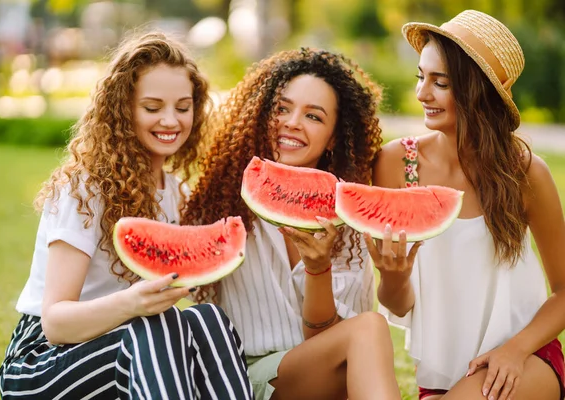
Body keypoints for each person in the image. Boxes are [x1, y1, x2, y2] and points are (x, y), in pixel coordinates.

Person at [0, 31, 253, 400]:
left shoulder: (177, 193)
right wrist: (132, 303)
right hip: (42, 362)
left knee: (206, 318)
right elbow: (55, 323)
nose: (171, 120)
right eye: (152, 107)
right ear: (123, 109)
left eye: (183, 107)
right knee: (150, 326)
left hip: (130, 347)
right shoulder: (84, 189)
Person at [182, 48, 402, 400]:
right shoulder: (220, 201)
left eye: (313, 116)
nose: (292, 122)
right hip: (244, 377)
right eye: (282, 108)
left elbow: (324, 342)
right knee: (369, 329)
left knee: (366, 330)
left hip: (323, 372)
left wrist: (318, 269)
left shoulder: (346, 219)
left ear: (333, 137)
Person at [371, 9, 565, 400]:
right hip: (439, 382)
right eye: (420, 77)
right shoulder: (396, 165)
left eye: (440, 82)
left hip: (523, 362)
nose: (422, 94)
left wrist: (514, 350)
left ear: (477, 90)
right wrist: (392, 276)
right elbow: (398, 302)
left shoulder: (526, 173)